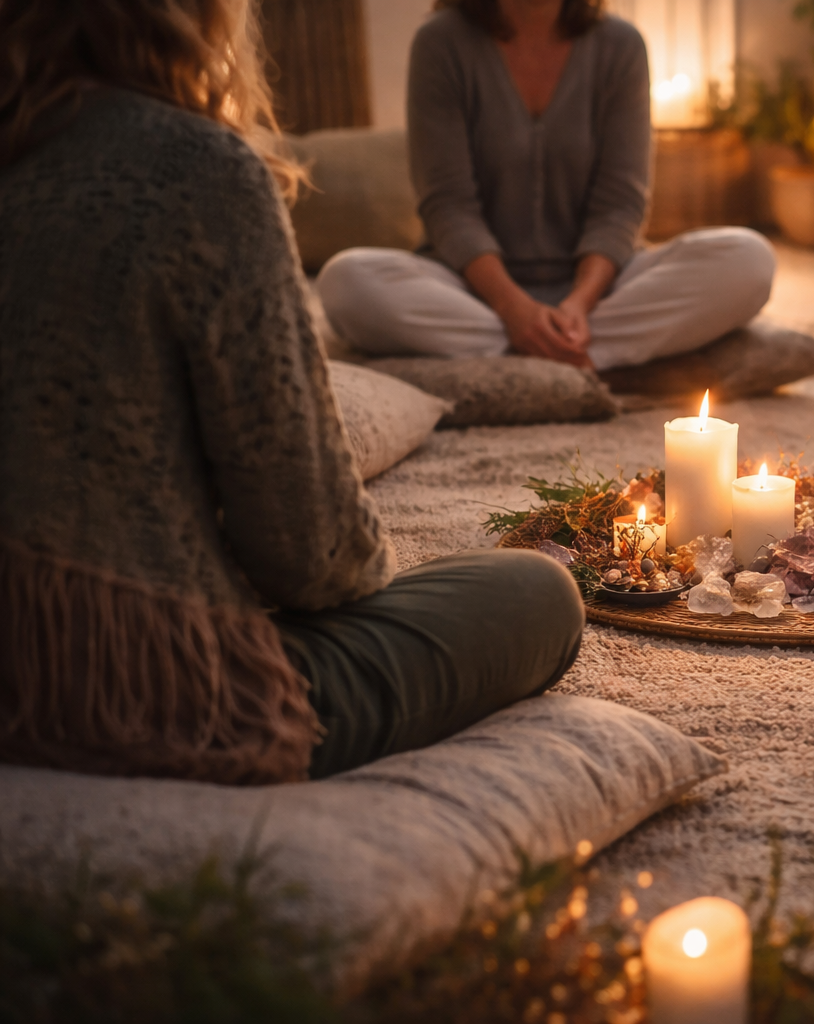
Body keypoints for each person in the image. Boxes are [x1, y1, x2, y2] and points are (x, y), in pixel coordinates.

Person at [0, 0, 584, 785]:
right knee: (538, 591)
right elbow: (312, 559)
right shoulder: (197, 170)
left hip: (582, 298)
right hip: (144, 687)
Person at [316, 0, 777, 371]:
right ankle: (581, 356)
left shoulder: (620, 46)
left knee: (748, 258)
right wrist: (514, 309)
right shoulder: (441, 43)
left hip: (600, 292)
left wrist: (578, 303)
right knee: (346, 281)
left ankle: (545, 353)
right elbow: (447, 205)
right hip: (470, 289)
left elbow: (620, 203)